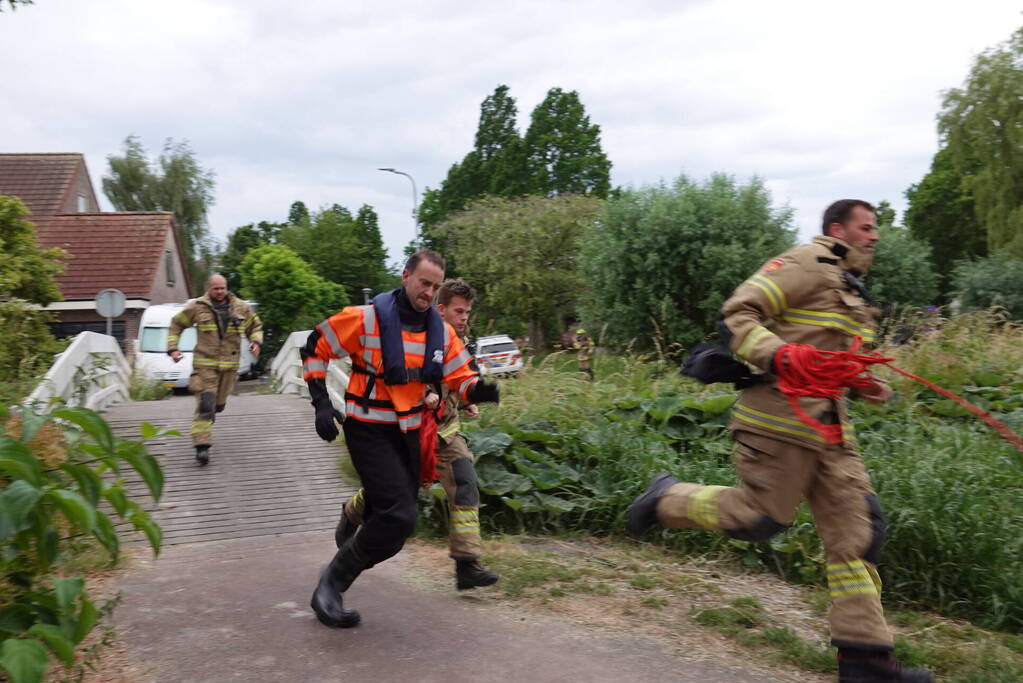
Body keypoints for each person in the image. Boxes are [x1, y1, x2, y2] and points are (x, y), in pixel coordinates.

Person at [627, 200, 933, 683]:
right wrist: (779, 354)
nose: (875, 236)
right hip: (777, 421)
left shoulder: (849, 288)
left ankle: (864, 660)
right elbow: (738, 313)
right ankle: (666, 498)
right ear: (837, 229)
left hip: (830, 430)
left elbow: (833, 358)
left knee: (860, 532)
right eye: (867, 227)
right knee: (759, 519)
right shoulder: (806, 263)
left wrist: (863, 384)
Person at [301, 250, 499, 628]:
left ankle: (339, 563)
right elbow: (315, 347)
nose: (428, 293)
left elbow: (462, 377)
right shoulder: (365, 319)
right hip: (368, 429)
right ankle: (330, 586)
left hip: (408, 434)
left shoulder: (441, 333)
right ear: (406, 276)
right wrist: (321, 403)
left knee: (396, 530)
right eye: (424, 283)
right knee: (398, 516)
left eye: (435, 287)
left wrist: (481, 390)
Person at [335, 278, 499, 590]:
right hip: (409, 433)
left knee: (465, 483)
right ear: (441, 309)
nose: (464, 318)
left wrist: (467, 402)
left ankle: (467, 563)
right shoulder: (414, 336)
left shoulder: (459, 343)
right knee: (392, 494)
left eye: (467, 312)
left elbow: (460, 380)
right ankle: (352, 512)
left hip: (447, 434)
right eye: (459, 311)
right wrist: (423, 394)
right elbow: (392, 372)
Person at [167, 273, 262, 466]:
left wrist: (255, 341)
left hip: (229, 367)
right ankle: (202, 447)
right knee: (206, 405)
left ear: (227, 288)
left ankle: (216, 407)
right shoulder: (197, 307)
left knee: (217, 405)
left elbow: (256, 326)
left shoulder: (241, 307)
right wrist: (173, 348)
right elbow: (176, 325)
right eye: (216, 288)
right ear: (208, 288)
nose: (219, 292)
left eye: (222, 288)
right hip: (205, 366)